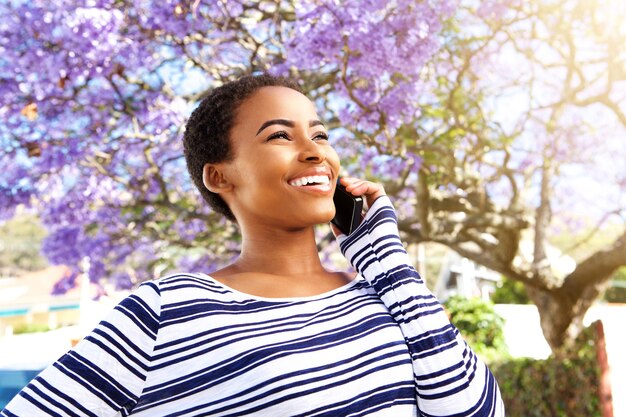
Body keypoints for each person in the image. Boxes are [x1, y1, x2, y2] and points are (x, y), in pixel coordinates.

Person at [1, 74, 504, 416]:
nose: (314, 153)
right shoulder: (163, 313)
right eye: (279, 136)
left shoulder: (386, 295)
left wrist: (388, 261)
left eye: (321, 134)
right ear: (220, 176)